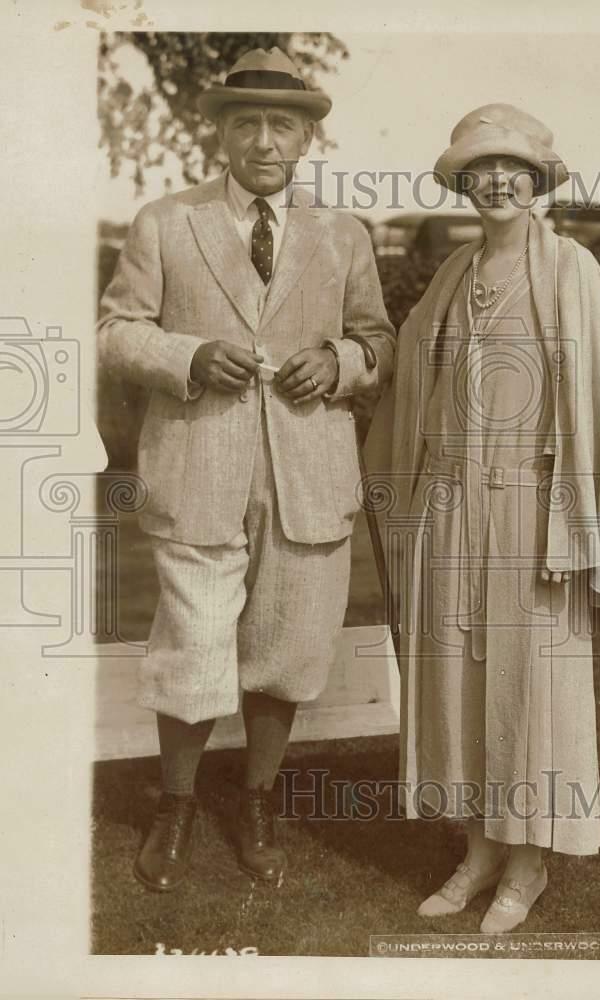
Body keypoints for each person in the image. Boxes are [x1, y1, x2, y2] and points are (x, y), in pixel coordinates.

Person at [98, 47, 395, 891]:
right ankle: (176, 805)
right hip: (198, 467)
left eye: (283, 125)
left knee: (289, 645)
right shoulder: (165, 221)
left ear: (307, 139)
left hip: (308, 471)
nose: (265, 141)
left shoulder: (342, 234)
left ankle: (258, 800)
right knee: (192, 645)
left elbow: (380, 340)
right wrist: (189, 356)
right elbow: (116, 333)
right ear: (221, 134)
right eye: (247, 124)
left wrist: (337, 362)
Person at [363, 104, 600, 932]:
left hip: (534, 514)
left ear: (536, 183)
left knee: (532, 689)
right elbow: (405, 372)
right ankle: (480, 849)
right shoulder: (455, 273)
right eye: (480, 169)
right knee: (460, 683)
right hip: (452, 510)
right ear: (461, 181)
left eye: (512, 169)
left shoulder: (570, 270)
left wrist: (578, 525)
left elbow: (595, 407)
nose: (495, 181)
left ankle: (529, 865)